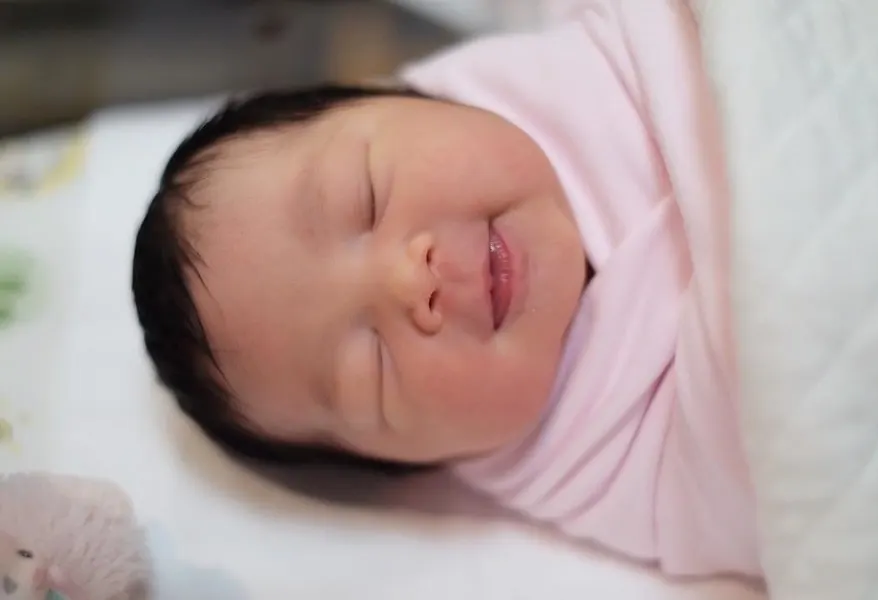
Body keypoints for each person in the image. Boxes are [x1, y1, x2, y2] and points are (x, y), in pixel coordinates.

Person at [132, 0, 760, 578]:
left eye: (366, 198)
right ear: (421, 462)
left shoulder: (601, 49)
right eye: (372, 370)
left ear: (397, 96)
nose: (411, 281)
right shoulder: (617, 471)